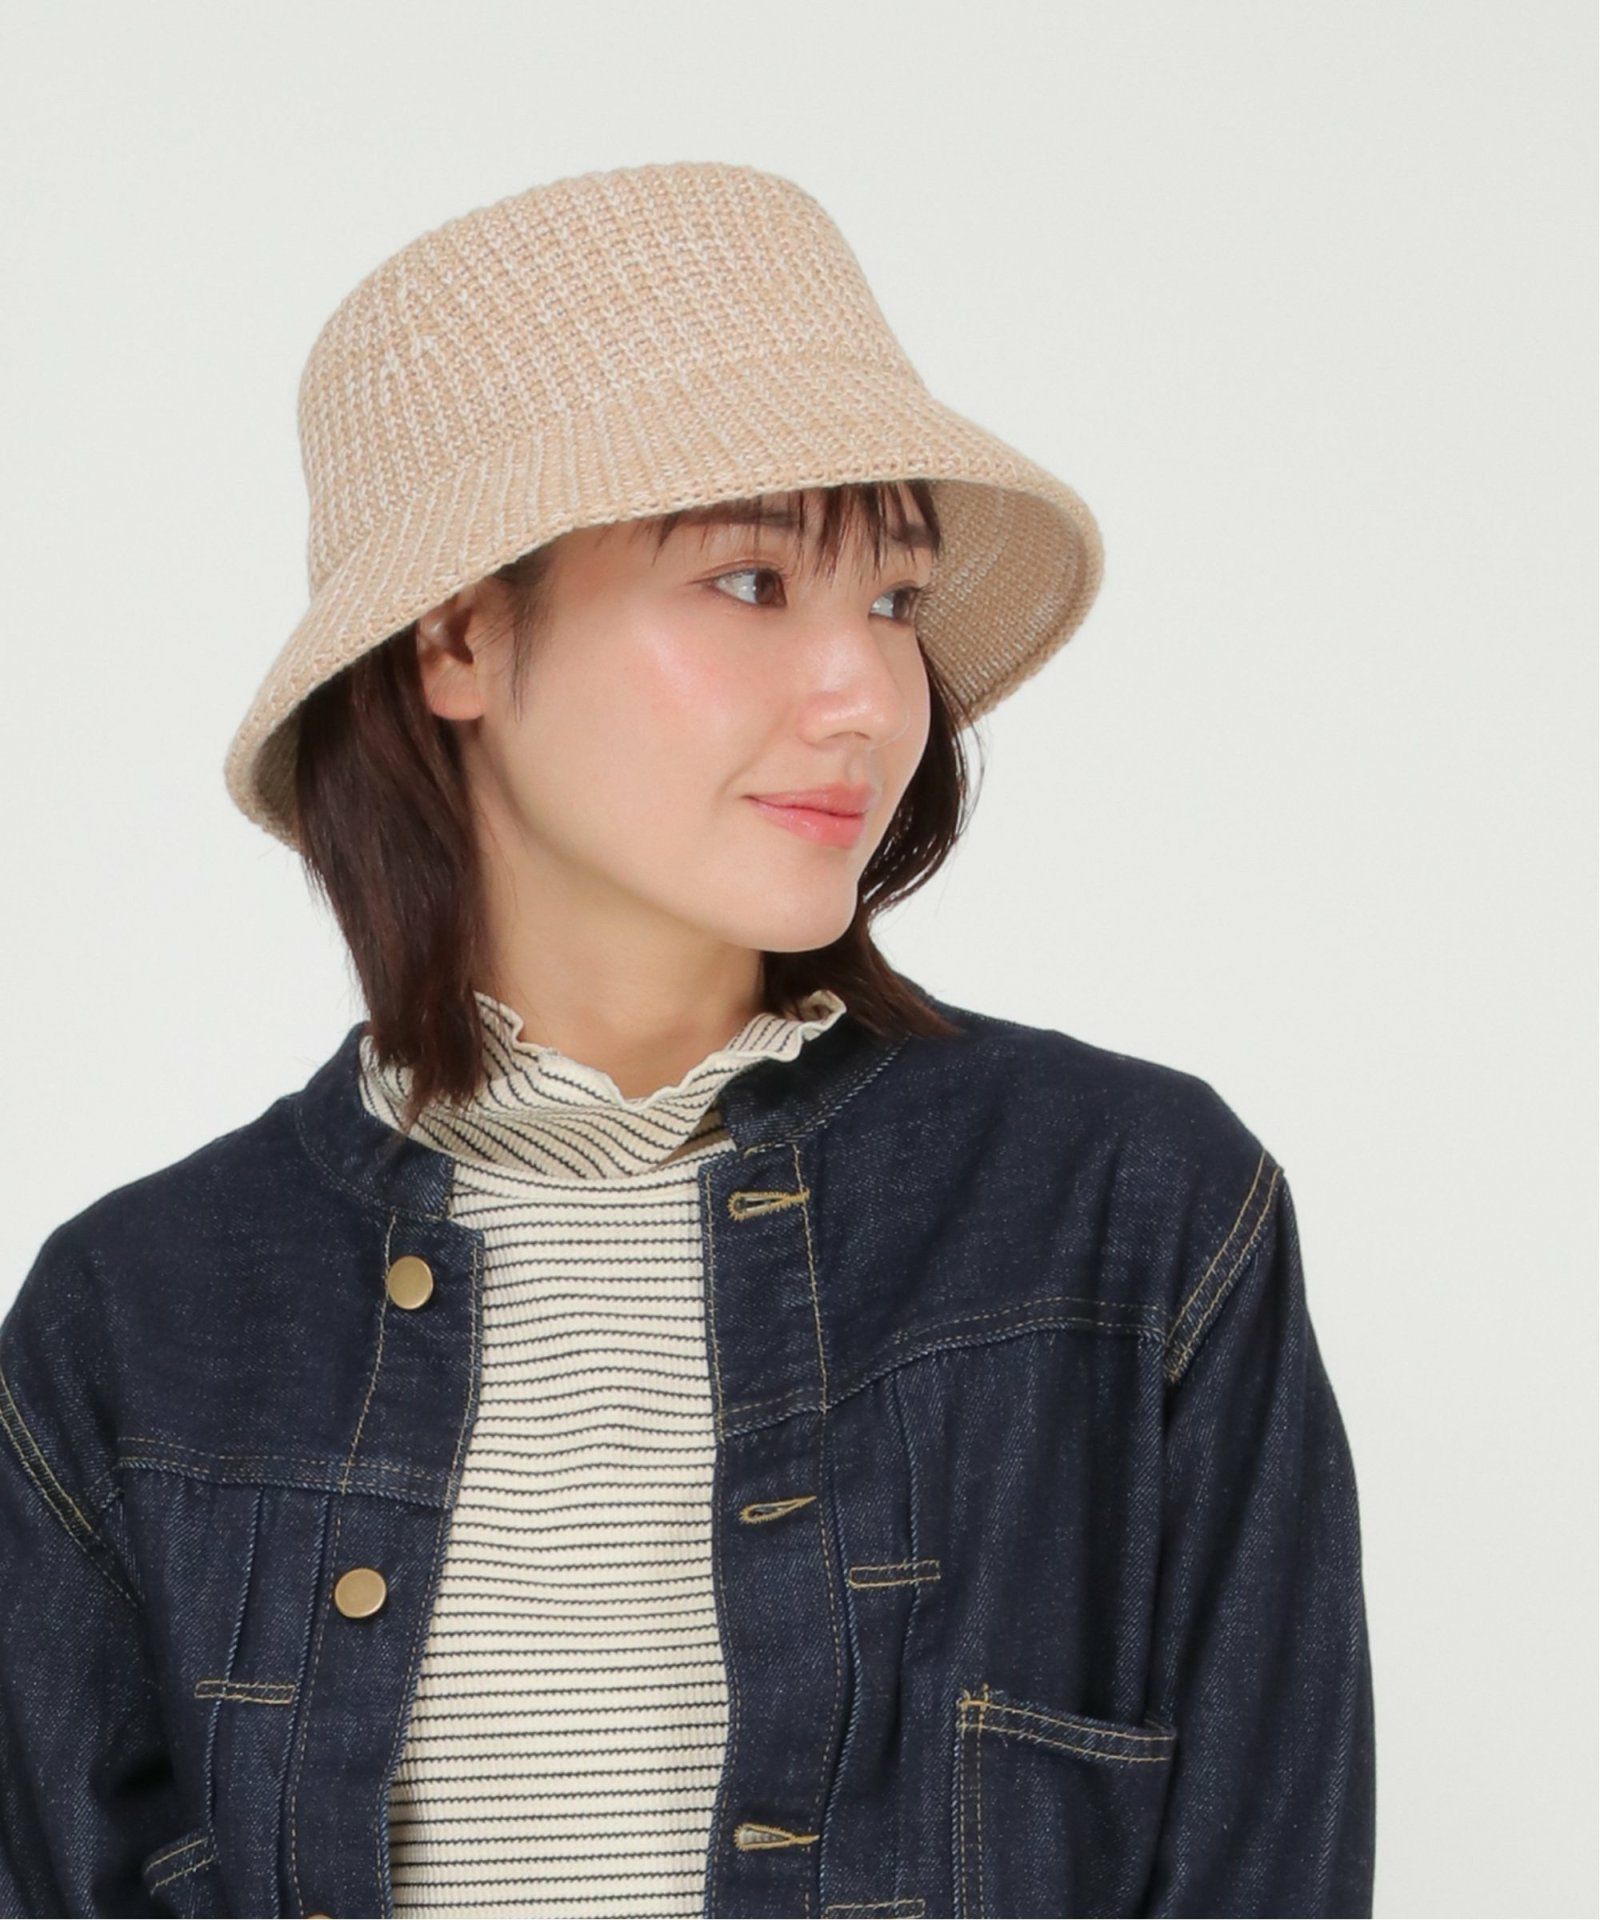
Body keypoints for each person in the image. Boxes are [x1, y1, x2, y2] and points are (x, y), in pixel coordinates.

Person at [0, 162, 1375, 1919]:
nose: (866, 694)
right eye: (748, 580)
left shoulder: (1131, 1222)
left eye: (893, 601)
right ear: (458, 637)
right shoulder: (133, 1329)